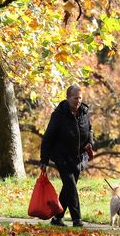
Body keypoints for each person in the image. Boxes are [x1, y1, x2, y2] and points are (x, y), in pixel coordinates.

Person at [39, 83, 93, 227]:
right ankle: (77, 219)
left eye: (80, 98)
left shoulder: (84, 112)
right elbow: (48, 137)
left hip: (78, 157)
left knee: (69, 187)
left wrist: (90, 144)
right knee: (70, 185)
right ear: (68, 98)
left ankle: (57, 218)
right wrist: (43, 160)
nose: (78, 101)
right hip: (61, 156)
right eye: (75, 98)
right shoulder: (59, 114)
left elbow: (90, 129)